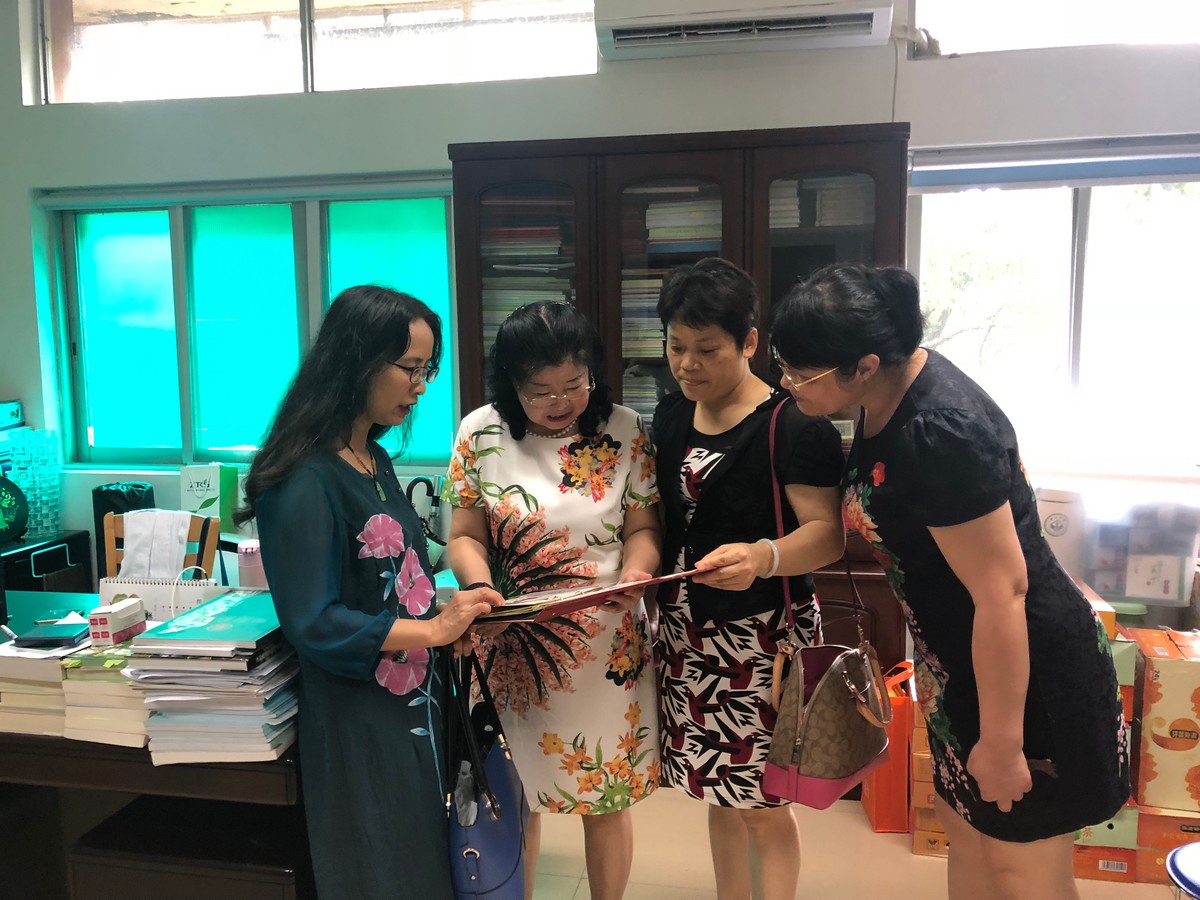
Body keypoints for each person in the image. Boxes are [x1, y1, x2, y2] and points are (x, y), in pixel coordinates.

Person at [769, 263, 1129, 900]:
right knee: (967, 836)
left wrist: (1003, 742)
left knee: (1021, 869)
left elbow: (1003, 592)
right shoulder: (883, 398)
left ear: (865, 364)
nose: (786, 382)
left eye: (801, 372)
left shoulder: (940, 431)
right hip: (965, 668)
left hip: (1026, 678)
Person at [239, 285, 502, 900]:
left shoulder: (373, 459)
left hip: (417, 707)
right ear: (357, 362)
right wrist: (432, 630)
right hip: (360, 720)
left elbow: (393, 586)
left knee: (426, 865)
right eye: (411, 368)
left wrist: (449, 613)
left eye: (427, 370)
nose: (421, 387)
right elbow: (314, 621)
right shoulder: (303, 477)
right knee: (381, 869)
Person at [443, 300, 662, 900]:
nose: (561, 401)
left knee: (605, 795)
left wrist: (637, 573)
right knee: (512, 796)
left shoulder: (625, 429)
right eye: (540, 391)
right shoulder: (480, 432)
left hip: (606, 643)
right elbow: (463, 535)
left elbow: (644, 527)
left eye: (575, 384)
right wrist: (479, 587)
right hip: (510, 642)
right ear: (511, 384)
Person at [651, 258, 846, 900]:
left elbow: (827, 535)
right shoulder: (672, 416)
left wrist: (763, 556)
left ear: (750, 342)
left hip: (762, 639)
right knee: (717, 790)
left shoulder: (794, 424)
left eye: (707, 349)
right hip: (688, 632)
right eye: (676, 346)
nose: (688, 364)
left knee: (762, 799)